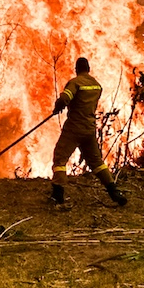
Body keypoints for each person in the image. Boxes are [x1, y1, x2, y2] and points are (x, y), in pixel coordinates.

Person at [50, 57, 126, 207]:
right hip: (89, 129)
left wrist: (58, 107)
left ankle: (57, 195)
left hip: (73, 129)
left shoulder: (75, 83)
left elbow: (65, 98)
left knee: (60, 158)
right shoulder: (97, 86)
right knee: (97, 162)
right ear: (89, 69)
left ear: (76, 69)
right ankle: (114, 191)